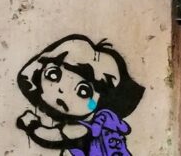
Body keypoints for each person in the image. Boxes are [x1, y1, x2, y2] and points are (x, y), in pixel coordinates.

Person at [16, 35, 145, 156]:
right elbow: (125, 128)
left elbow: (53, 136)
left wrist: (32, 126)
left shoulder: (83, 128)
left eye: (83, 91)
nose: (62, 90)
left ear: (99, 101)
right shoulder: (108, 120)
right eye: (53, 74)